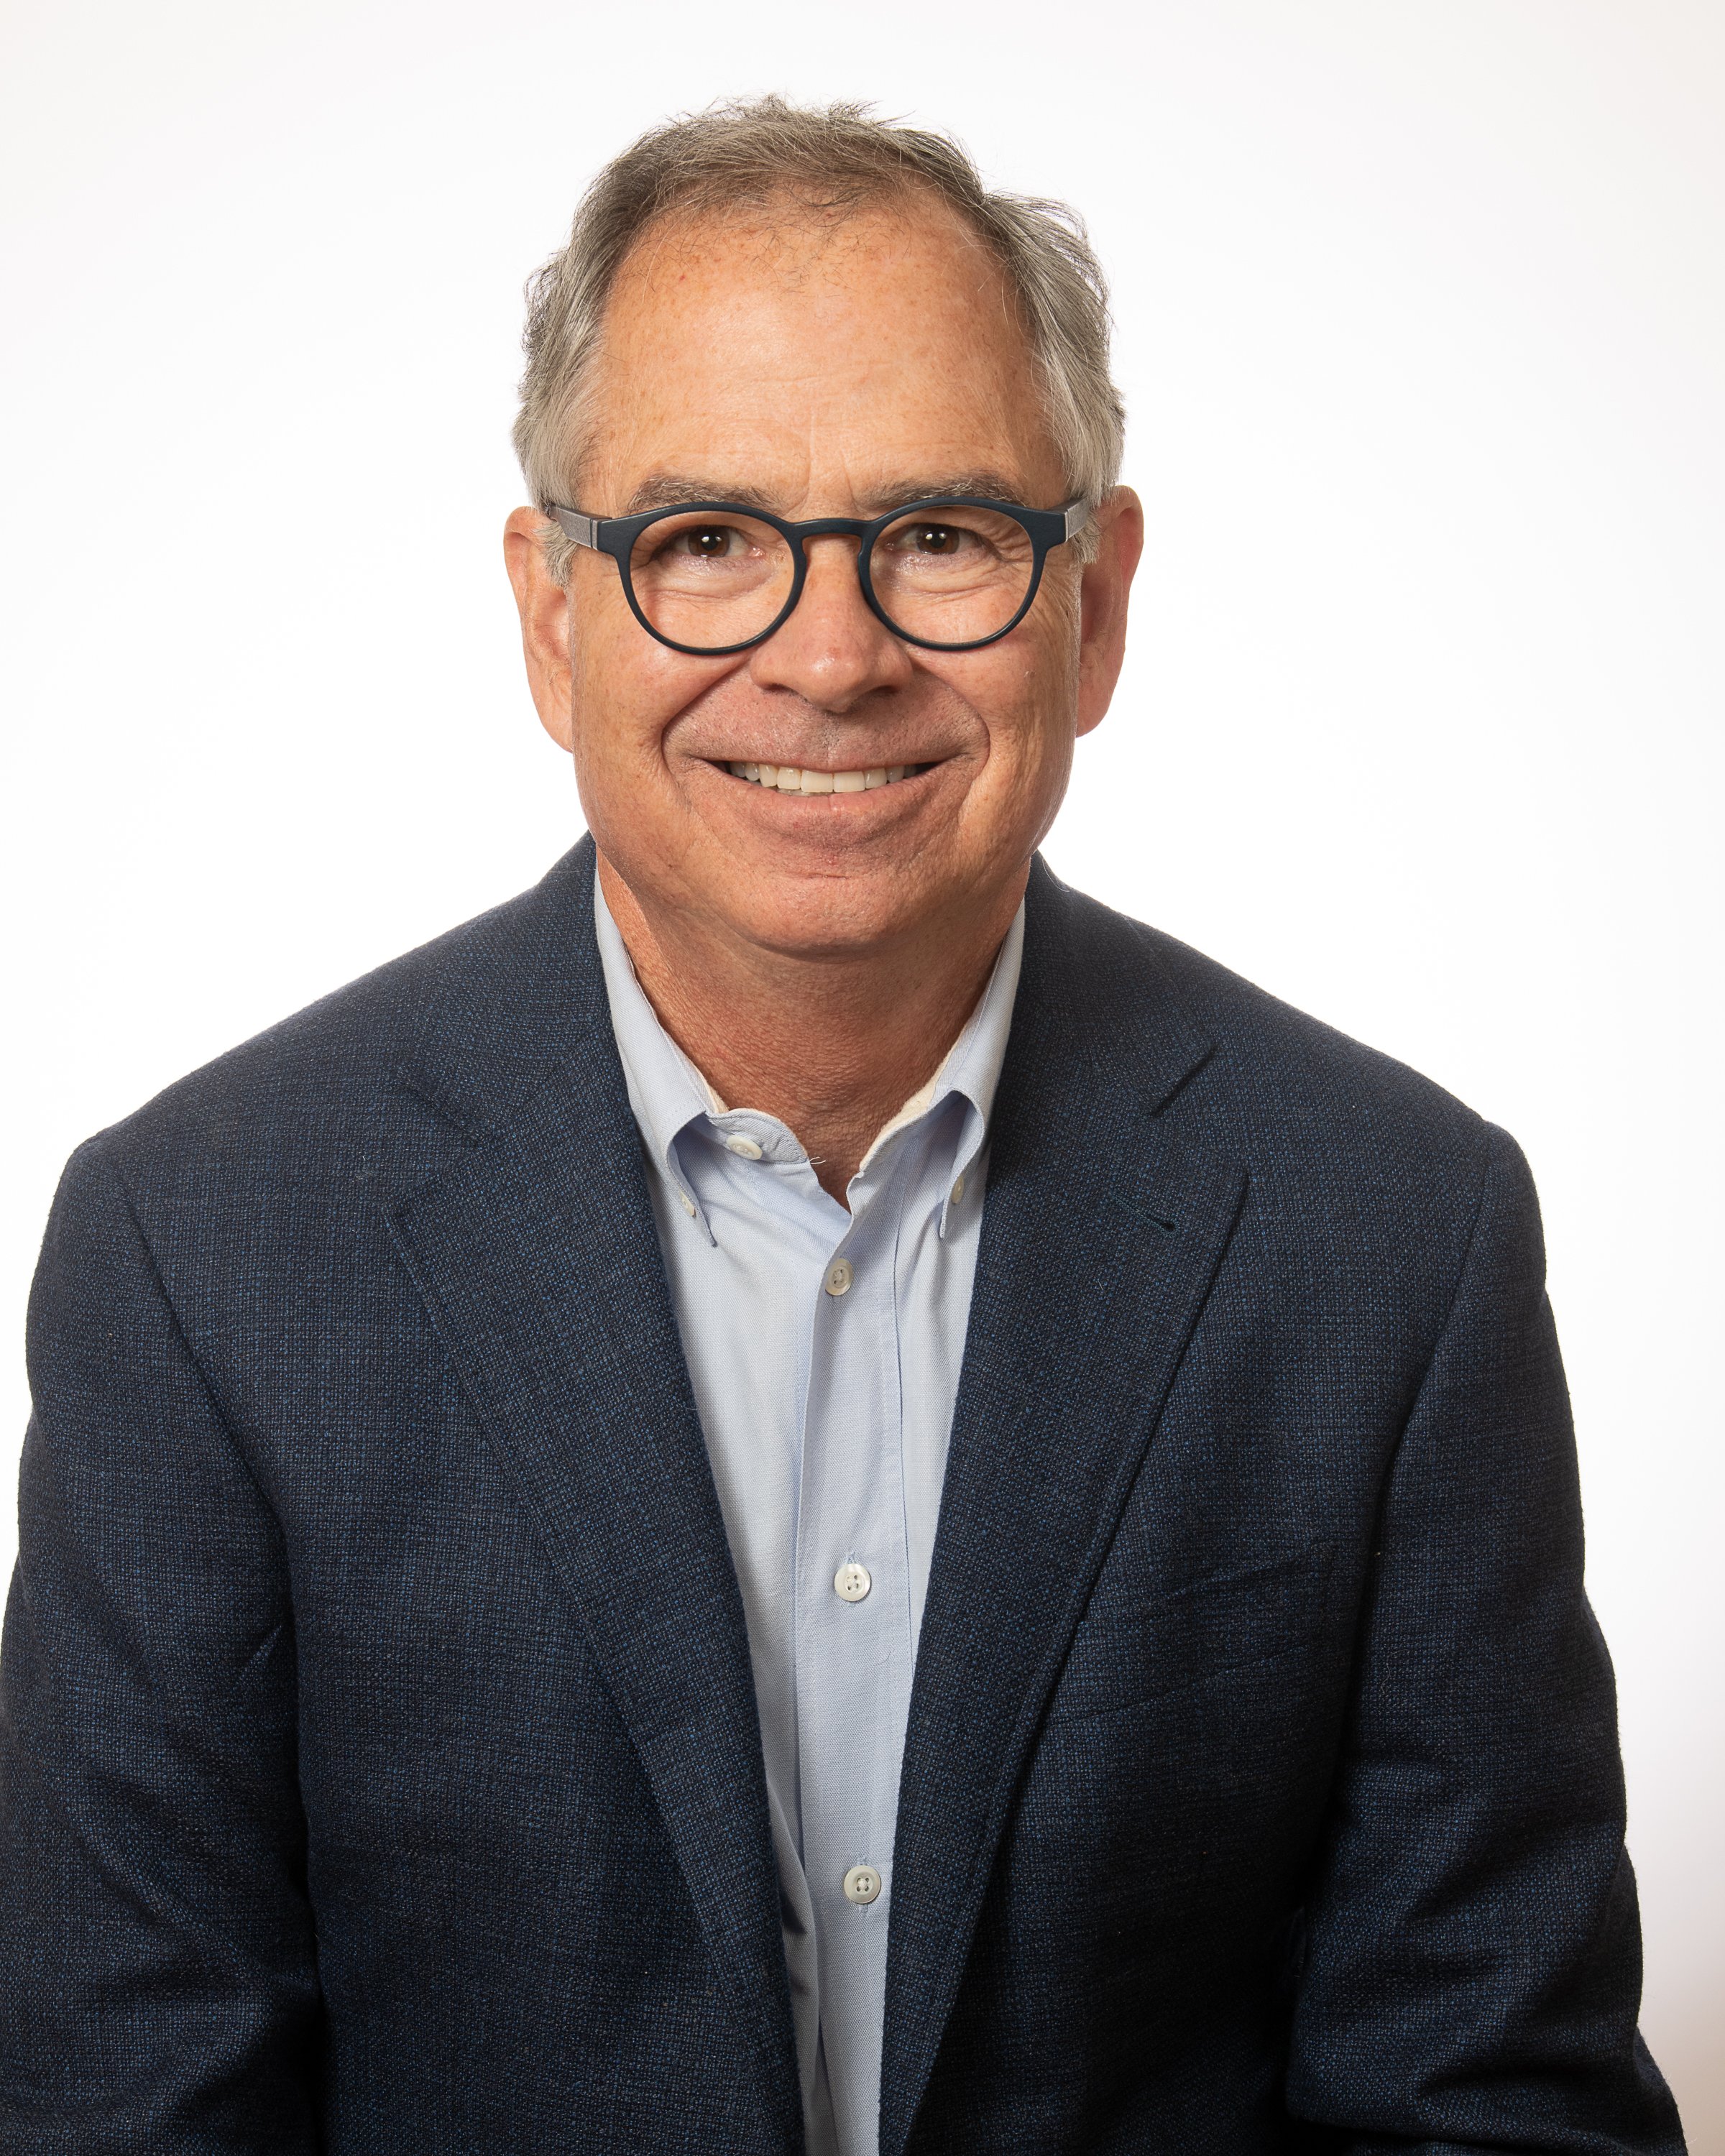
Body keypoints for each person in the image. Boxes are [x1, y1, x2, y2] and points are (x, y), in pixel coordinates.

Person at [0, 96, 1685, 2156]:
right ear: (552, 613)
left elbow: (1489, 2105)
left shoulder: (1389, 1237)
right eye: (705, 539)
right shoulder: (203, 1256)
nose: (829, 654)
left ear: (1099, 599)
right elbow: (117, 2109)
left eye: (943, 535)